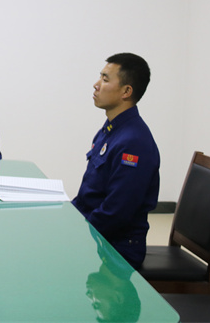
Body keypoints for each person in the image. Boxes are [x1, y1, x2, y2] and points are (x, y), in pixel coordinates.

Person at [72, 53, 160, 270]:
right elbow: (88, 197)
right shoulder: (111, 130)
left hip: (115, 248)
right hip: (98, 233)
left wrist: (75, 232)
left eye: (105, 79)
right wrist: (66, 217)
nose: (96, 85)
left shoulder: (133, 143)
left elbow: (116, 213)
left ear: (126, 91)